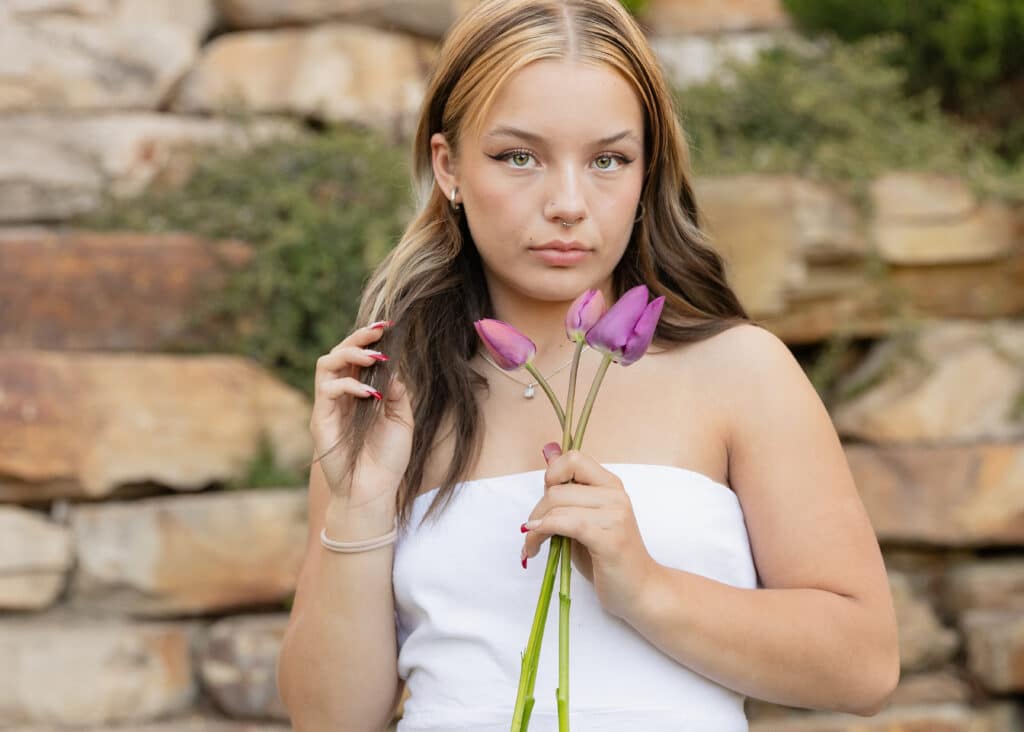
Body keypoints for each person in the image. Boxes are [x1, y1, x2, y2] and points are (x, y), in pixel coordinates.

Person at [275, 1, 900, 730]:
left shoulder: (740, 371)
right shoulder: (389, 395)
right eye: (519, 157)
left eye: (608, 160)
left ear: (646, 173)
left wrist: (646, 587)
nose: (568, 204)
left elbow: (863, 664)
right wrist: (357, 507)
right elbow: (329, 720)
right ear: (448, 167)